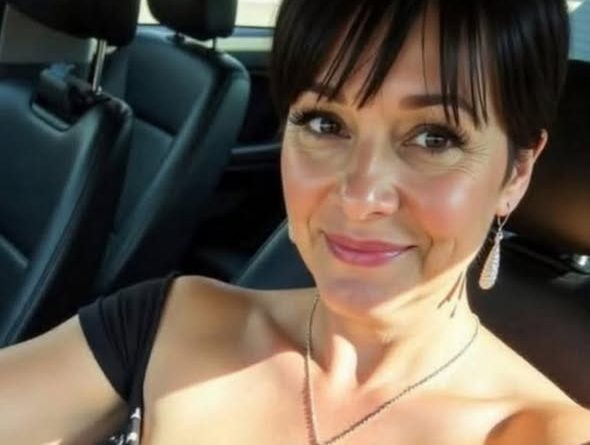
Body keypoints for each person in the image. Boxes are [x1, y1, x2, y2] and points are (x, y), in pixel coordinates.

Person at [1, 0, 590, 443]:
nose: (359, 196)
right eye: (325, 124)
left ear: (517, 172)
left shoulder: (539, 432)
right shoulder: (171, 322)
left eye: (435, 137)